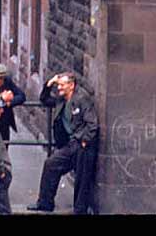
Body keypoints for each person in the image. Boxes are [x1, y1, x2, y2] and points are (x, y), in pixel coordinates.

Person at [27, 71, 99, 214]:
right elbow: (44, 99)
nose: (58, 88)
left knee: (82, 177)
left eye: (61, 85)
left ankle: (80, 210)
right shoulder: (61, 99)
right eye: (58, 85)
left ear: (71, 85)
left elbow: (92, 124)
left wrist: (84, 140)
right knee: (51, 164)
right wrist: (49, 83)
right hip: (69, 144)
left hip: (81, 144)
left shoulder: (82, 99)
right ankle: (45, 203)